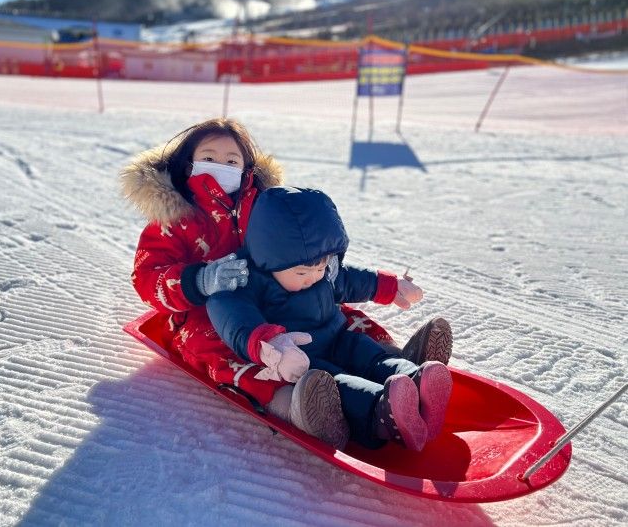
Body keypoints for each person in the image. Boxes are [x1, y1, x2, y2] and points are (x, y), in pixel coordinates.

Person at [207, 186, 453, 451]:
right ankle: (383, 412)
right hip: (303, 357)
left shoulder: (321, 269)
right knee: (338, 383)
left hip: (338, 336)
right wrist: (269, 345)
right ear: (268, 259)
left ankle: (416, 380)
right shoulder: (244, 280)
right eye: (302, 273)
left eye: (321, 267)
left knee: (371, 356)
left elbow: (351, 280)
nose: (314, 276)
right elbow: (233, 317)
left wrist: (391, 287)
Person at [120, 118, 293, 408]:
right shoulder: (176, 217)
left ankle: (383, 355)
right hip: (201, 311)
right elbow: (147, 276)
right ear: (190, 165)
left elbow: (292, 239)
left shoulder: (263, 206)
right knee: (208, 343)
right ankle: (286, 401)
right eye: (209, 158)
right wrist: (199, 281)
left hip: (263, 294)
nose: (220, 167)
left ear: (245, 170)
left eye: (231, 161)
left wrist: (314, 261)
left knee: (317, 304)